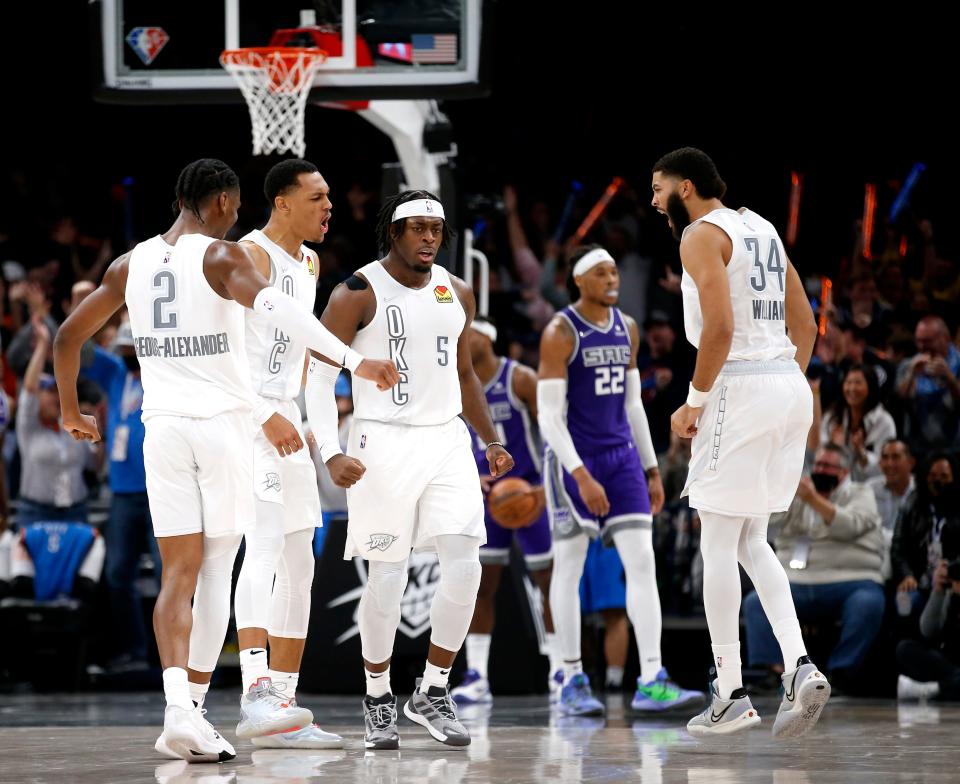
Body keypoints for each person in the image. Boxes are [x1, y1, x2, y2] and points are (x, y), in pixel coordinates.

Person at [52, 158, 398, 763]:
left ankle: (180, 713)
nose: (235, 219)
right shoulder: (223, 257)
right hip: (225, 426)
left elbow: (65, 339)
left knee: (178, 574)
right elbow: (277, 313)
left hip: (160, 431)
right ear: (218, 204)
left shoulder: (128, 263)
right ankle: (224, 704)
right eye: (234, 209)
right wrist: (353, 361)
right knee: (218, 571)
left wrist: (70, 412)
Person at [307, 190, 514, 750]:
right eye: (417, 228)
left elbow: (466, 374)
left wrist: (489, 437)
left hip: (447, 440)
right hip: (382, 443)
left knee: (465, 564)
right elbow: (320, 379)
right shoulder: (356, 292)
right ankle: (378, 699)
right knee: (389, 577)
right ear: (394, 233)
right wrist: (331, 451)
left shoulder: (457, 291)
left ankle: (433, 689)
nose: (428, 237)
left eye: (435, 229)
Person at [651, 147, 828, 738]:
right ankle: (798, 666)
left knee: (719, 541)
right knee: (754, 537)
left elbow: (722, 329)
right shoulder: (765, 228)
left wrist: (695, 404)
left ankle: (728, 691)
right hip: (787, 384)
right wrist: (783, 385)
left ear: (687, 187)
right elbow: (805, 324)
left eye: (659, 187)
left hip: (742, 386)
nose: (653, 199)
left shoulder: (701, 234)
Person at [183, 159, 344, 749]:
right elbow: (220, 354)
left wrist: (298, 414)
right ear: (281, 201)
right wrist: (264, 413)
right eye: (318, 196)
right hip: (247, 419)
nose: (330, 206)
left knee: (302, 558)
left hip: (286, 418)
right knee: (266, 544)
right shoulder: (245, 256)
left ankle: (285, 706)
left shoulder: (308, 261)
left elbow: (299, 347)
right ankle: (254, 693)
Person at [537, 244, 701, 718]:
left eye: (616, 271)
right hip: (575, 459)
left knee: (642, 563)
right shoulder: (559, 331)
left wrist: (650, 468)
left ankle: (652, 677)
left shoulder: (627, 328)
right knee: (569, 565)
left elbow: (633, 406)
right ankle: (570, 676)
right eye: (604, 273)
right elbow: (549, 417)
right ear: (580, 280)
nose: (614, 279)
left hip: (622, 458)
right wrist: (581, 475)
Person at [450, 316, 562, 706]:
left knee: (549, 582)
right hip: (486, 497)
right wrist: (469, 477)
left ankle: (559, 671)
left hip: (529, 492)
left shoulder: (520, 379)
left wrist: (546, 488)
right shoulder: (455, 385)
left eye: (473, 331)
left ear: (489, 338)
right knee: (481, 585)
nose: (466, 337)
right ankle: (477, 674)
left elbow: (553, 429)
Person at [16, 315, 95, 525]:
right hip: (37, 513)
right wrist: (42, 345)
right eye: (48, 392)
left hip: (75, 512)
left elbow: (93, 463)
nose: (54, 397)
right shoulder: (29, 427)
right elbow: (30, 389)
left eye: (55, 392)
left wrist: (99, 436)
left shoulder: (71, 425)